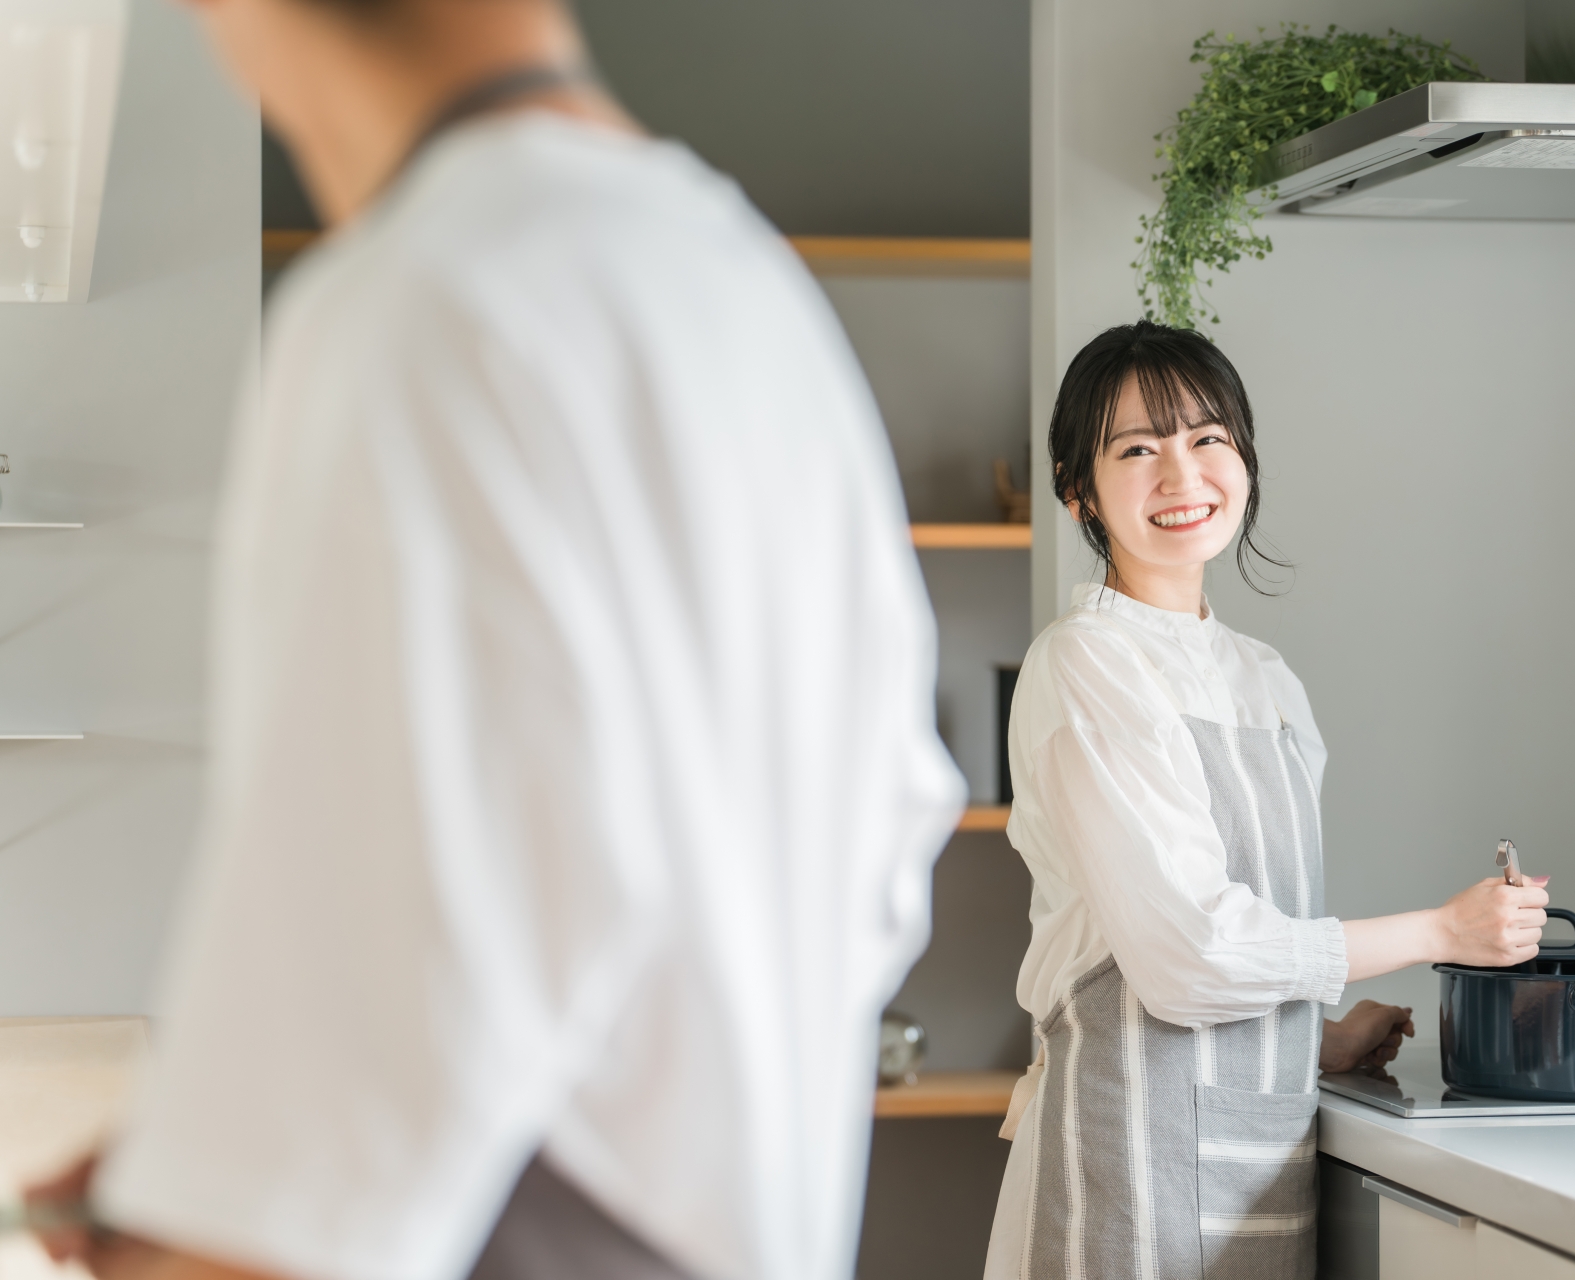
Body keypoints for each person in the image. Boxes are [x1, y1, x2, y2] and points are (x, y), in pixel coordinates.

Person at [27, 2, 965, 1280]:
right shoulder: (741, 285)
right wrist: (222, 1155)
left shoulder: (423, 302)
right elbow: (870, 868)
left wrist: (200, 1226)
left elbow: (309, 1212)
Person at [982, 322, 1549, 1280]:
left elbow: (1238, 928)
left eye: (1209, 438)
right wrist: (1438, 932)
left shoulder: (1266, 679)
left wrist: (1310, 1037)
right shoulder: (1087, 664)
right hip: (1126, 1162)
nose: (1182, 473)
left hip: (1252, 1158)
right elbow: (1188, 954)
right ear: (1078, 488)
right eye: (1137, 449)